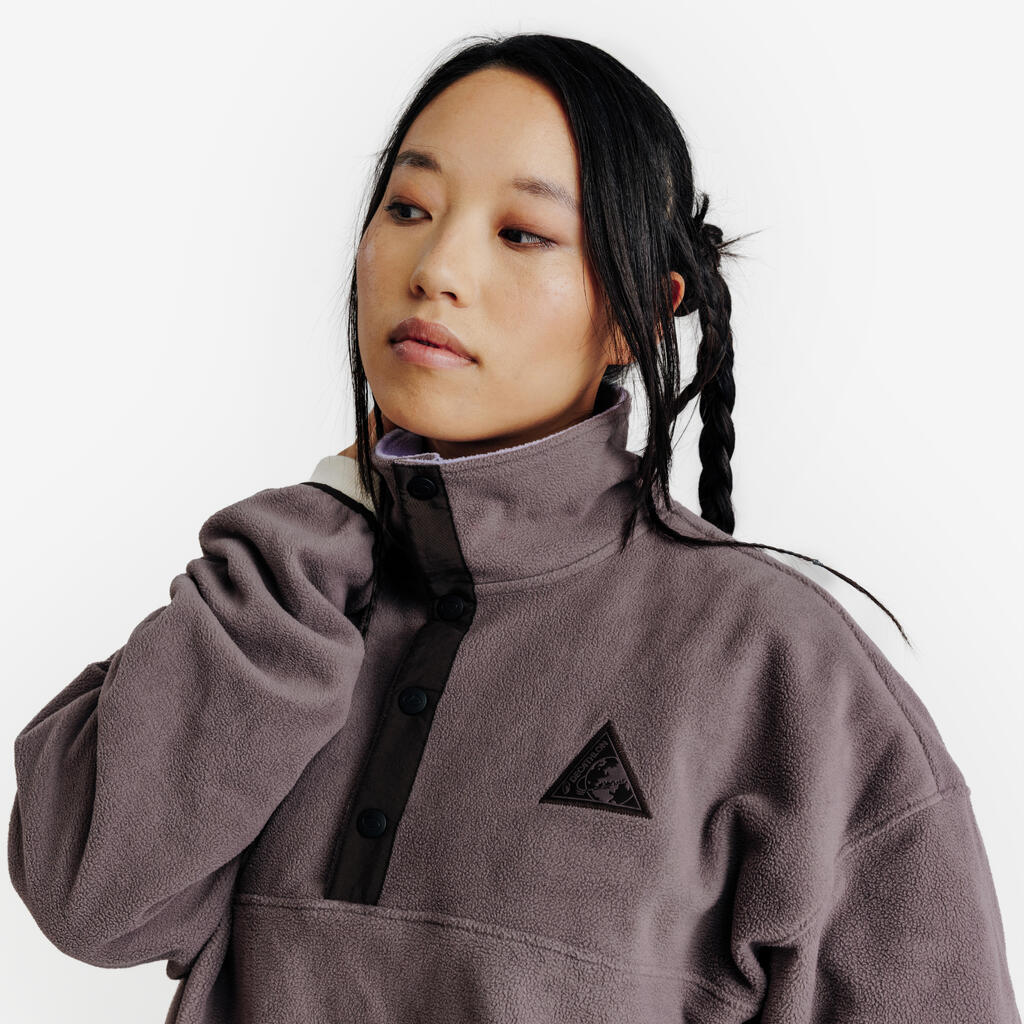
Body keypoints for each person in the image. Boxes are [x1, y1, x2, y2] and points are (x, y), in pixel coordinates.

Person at [8, 31, 1020, 1024]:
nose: (436, 266)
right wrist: (334, 505)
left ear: (636, 314)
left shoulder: (782, 666)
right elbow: (90, 898)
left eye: (521, 233)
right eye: (409, 208)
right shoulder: (288, 602)